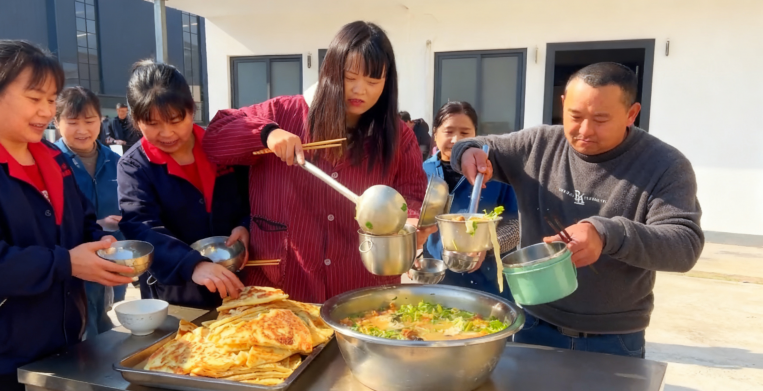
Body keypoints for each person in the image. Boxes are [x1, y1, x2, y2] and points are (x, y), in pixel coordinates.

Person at [453, 62, 704, 358]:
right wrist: (466, 152)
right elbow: (480, 146)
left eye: (600, 119)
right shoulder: (538, 145)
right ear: (563, 104)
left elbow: (684, 246)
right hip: (533, 324)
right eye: (575, 116)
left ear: (631, 114)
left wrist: (607, 233)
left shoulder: (665, 166)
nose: (585, 131)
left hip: (614, 338)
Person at [0, 39, 133, 391]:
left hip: (58, 343)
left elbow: (81, 222)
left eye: (51, 98)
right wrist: (67, 264)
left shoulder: (49, 158)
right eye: (34, 97)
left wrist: (101, 243)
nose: (46, 111)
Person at [202, 21, 428, 303]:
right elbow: (215, 137)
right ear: (330, 72)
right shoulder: (282, 114)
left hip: (361, 292)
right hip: (281, 293)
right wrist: (267, 134)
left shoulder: (397, 136)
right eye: (349, 77)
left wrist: (412, 223)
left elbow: (413, 195)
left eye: (373, 82)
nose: (360, 90)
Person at [117, 60, 251, 391]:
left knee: (234, 388)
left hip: (232, 288)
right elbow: (140, 226)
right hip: (172, 294)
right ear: (135, 120)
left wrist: (246, 225)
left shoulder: (222, 148)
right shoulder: (135, 165)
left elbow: (254, 198)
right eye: (151, 123)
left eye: (174, 120)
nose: (165, 132)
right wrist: (192, 265)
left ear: (192, 110)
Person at [53, 86, 126, 391]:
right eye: (73, 121)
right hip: (70, 276)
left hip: (112, 274)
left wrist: (118, 227)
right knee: (75, 360)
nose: (82, 129)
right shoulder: (50, 161)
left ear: (102, 120)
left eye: (90, 120)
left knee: (106, 357)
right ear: (57, 122)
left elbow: (134, 214)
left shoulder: (117, 161)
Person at [422, 101, 520, 297]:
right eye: (449, 131)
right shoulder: (422, 172)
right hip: (437, 277)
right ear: (435, 133)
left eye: (465, 133)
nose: (456, 139)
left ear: (476, 135)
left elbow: (516, 225)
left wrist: (488, 245)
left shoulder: (493, 173)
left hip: (487, 280)